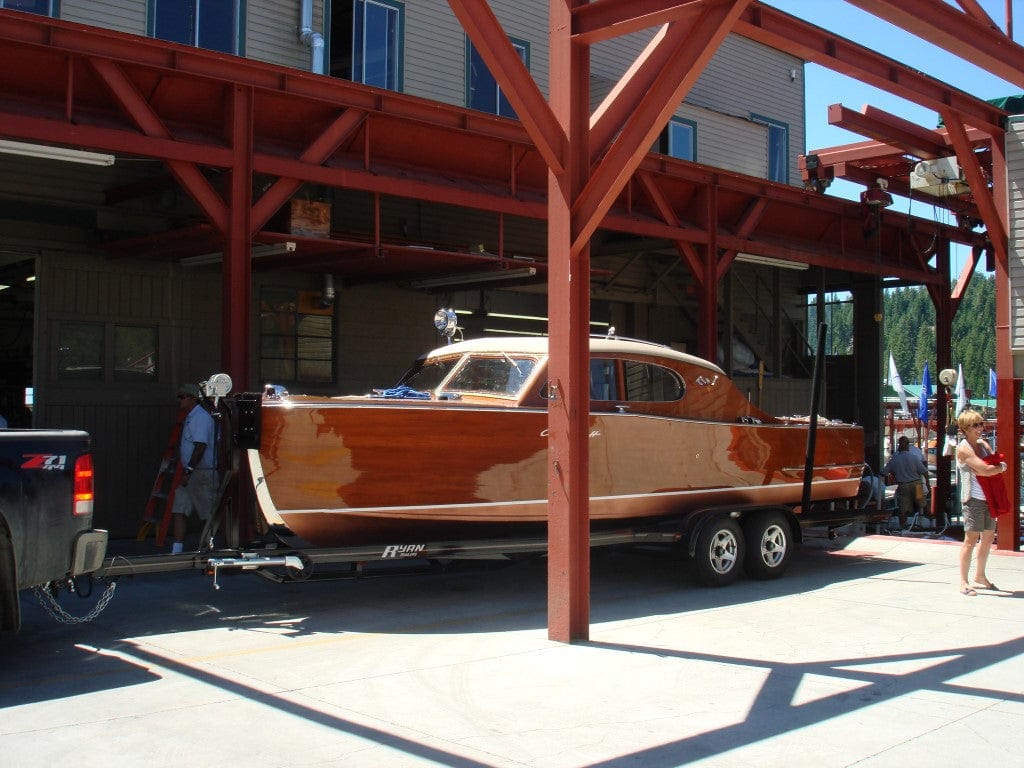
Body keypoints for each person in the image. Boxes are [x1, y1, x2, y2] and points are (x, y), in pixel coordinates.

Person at [955, 408, 1006, 596]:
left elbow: (992, 461)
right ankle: (963, 581)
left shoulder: (983, 444)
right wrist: (1000, 467)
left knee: (987, 538)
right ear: (965, 428)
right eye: (975, 425)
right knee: (970, 540)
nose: (980, 428)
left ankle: (980, 576)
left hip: (988, 498)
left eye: (981, 424)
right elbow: (985, 469)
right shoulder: (963, 449)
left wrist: (996, 466)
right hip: (973, 500)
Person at [170, 383, 219, 554]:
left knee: (207, 513)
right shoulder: (192, 416)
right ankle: (176, 550)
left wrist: (189, 469)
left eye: (182, 397)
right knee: (179, 509)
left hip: (202, 473)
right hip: (190, 473)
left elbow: (200, 446)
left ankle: (208, 549)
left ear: (192, 398)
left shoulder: (200, 418)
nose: (180, 400)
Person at [881, 435, 929, 530]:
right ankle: (926, 525)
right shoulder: (914, 457)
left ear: (899, 446)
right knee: (922, 505)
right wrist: (927, 484)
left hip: (903, 486)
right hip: (917, 485)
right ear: (908, 445)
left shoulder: (894, 459)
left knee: (903, 510)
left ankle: (903, 528)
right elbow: (924, 471)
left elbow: (884, 473)